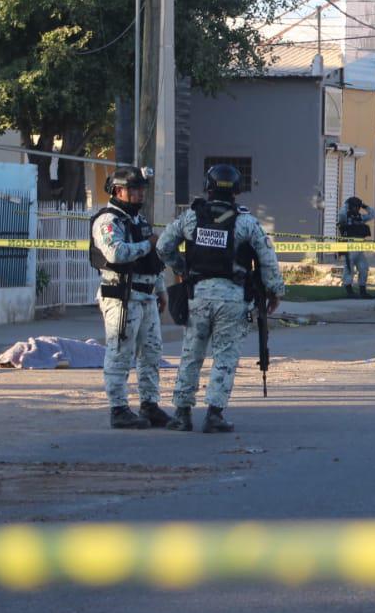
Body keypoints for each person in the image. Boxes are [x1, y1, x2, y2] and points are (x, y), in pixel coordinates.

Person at [156, 164, 283, 434]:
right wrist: (275, 291)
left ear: (208, 187)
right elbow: (267, 260)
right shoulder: (247, 222)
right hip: (233, 298)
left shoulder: (191, 217)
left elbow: (163, 246)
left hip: (198, 295)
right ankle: (214, 414)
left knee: (191, 354)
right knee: (225, 356)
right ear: (236, 190)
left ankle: (182, 414)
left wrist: (182, 268)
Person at [89, 166, 170, 430]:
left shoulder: (138, 220)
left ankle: (150, 404)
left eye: (141, 189)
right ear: (117, 190)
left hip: (146, 296)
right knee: (120, 353)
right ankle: (119, 409)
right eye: (133, 189)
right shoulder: (108, 221)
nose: (139, 194)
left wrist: (160, 289)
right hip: (122, 296)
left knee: (151, 353)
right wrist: (148, 245)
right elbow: (115, 253)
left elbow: (153, 260)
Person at [337, 196, 375, 298]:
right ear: (350, 206)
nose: (356, 208)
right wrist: (346, 205)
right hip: (349, 246)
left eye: (358, 206)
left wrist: (364, 206)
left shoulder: (360, 217)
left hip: (359, 249)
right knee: (349, 269)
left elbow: (374, 214)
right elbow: (341, 214)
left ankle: (363, 291)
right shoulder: (345, 217)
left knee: (363, 269)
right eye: (354, 206)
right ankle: (349, 291)